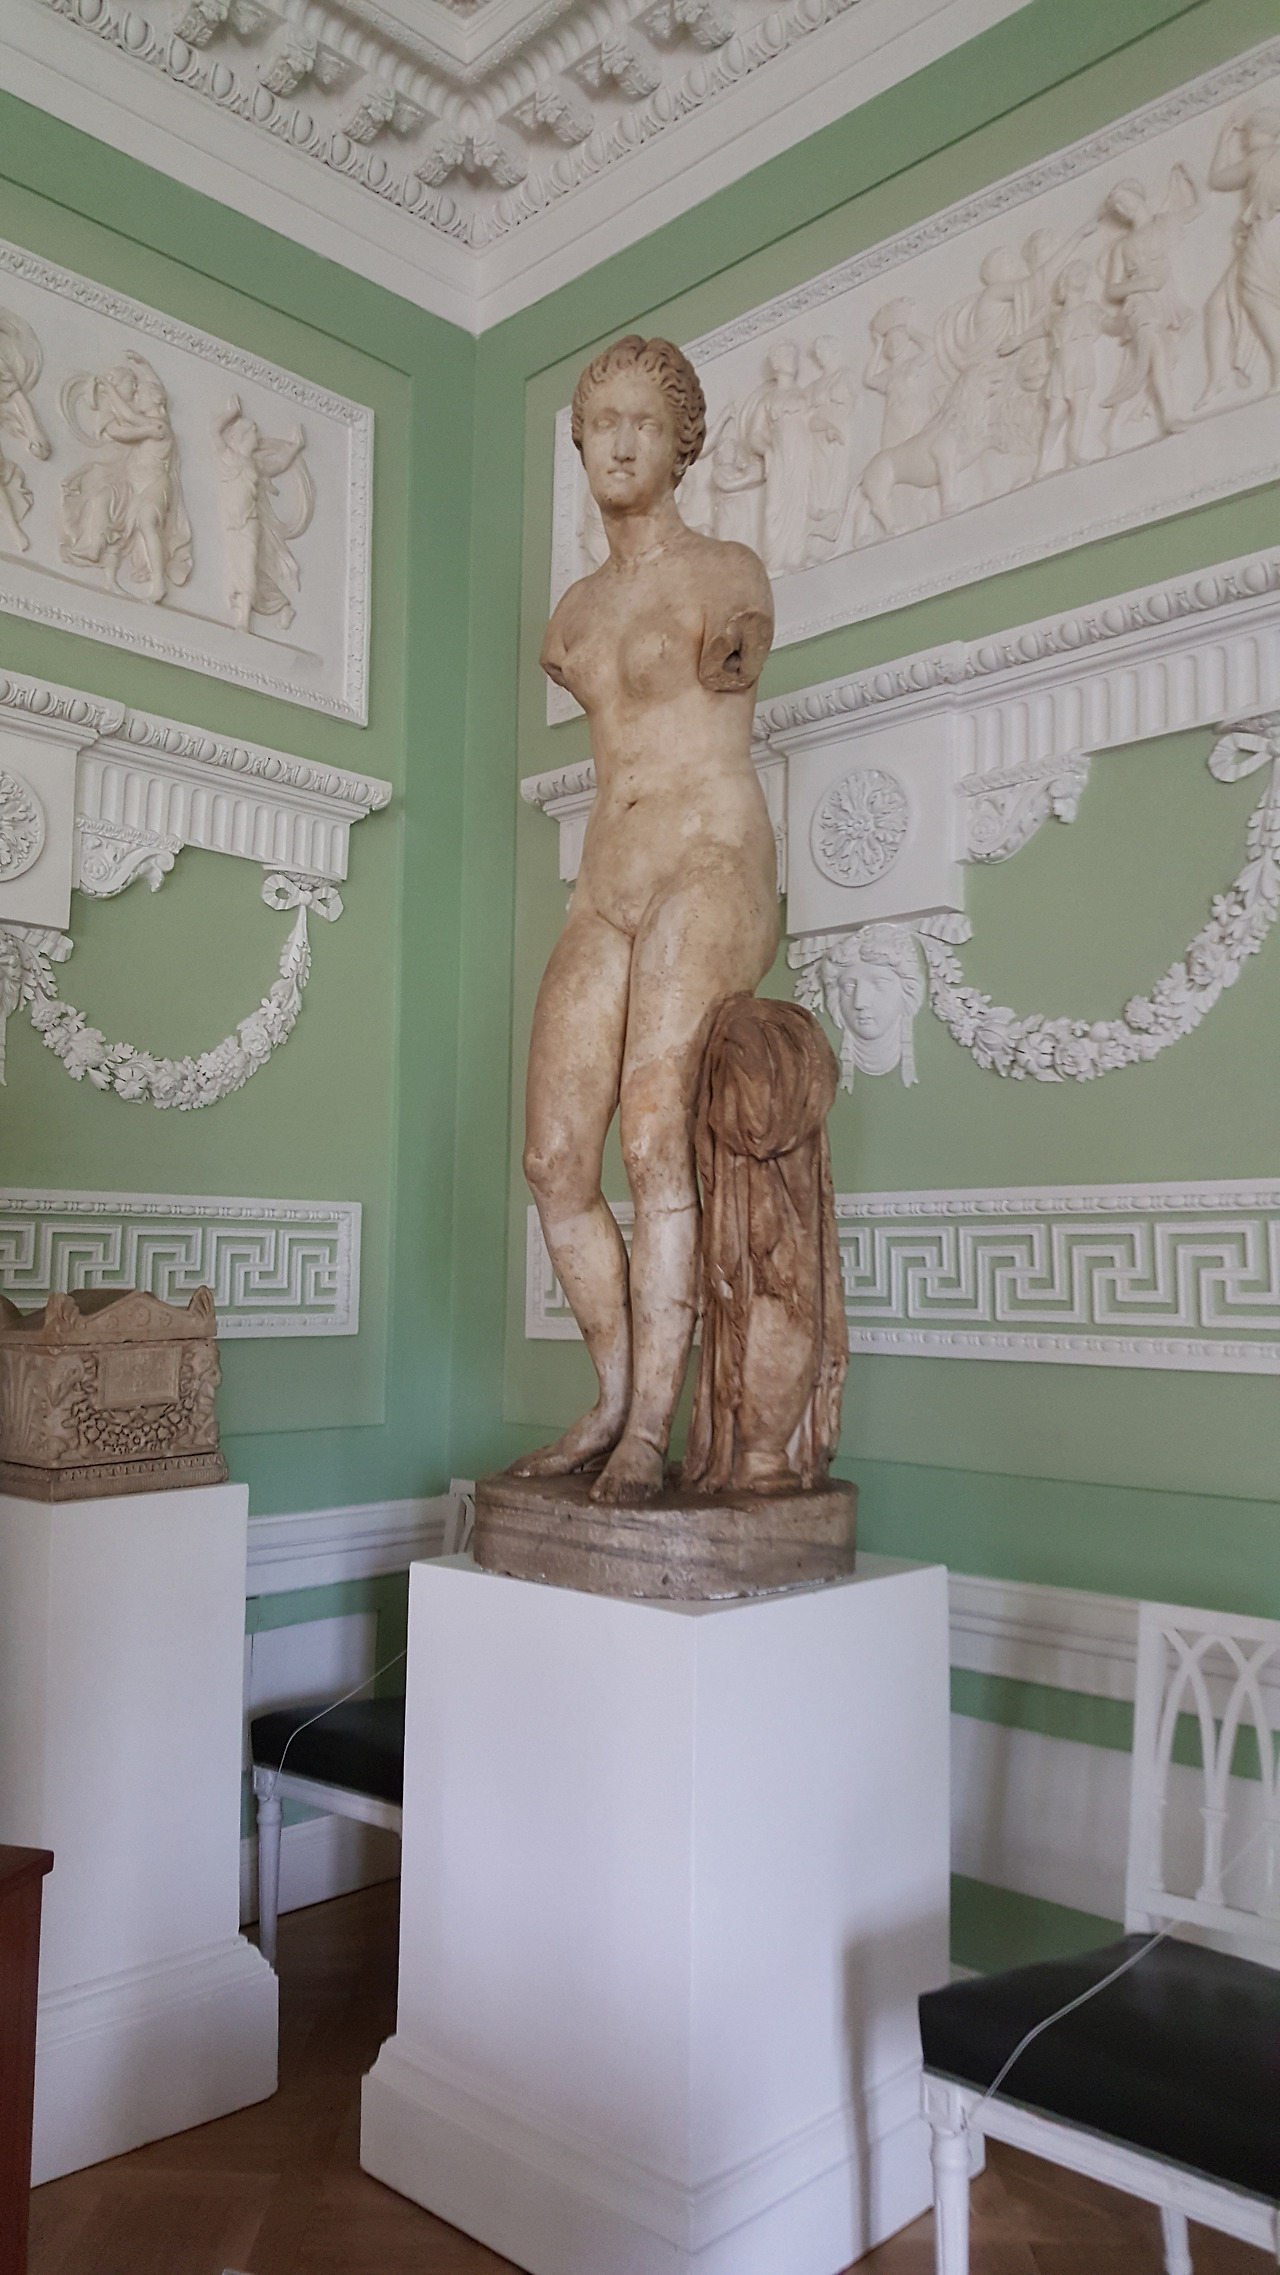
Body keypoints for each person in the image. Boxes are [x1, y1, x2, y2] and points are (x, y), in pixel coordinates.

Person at [513, 335, 778, 1504]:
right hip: (606, 881)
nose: (618, 443)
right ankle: (611, 1395)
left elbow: (729, 672)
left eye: (643, 424)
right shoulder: (570, 618)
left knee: (650, 1137)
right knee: (551, 1160)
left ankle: (649, 1430)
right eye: (600, 424)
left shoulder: (728, 575)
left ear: (681, 447)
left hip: (709, 862)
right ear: (578, 443)